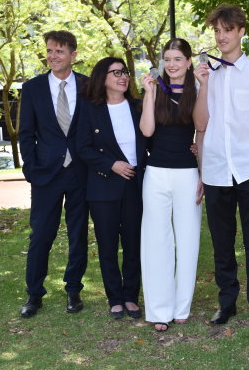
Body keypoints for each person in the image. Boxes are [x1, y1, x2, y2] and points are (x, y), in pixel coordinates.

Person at [193, 4, 249, 326]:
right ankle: (226, 302)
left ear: (241, 31)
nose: (221, 37)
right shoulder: (206, 75)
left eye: (227, 30)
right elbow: (200, 124)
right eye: (216, 31)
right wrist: (202, 86)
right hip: (216, 170)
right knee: (221, 242)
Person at [18, 30, 89, 318]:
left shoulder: (88, 85)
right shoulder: (32, 87)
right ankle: (34, 294)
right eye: (49, 50)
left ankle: (73, 290)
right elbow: (25, 133)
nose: (53, 56)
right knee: (41, 235)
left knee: (78, 234)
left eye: (59, 51)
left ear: (73, 55)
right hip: (46, 174)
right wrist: (32, 168)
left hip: (80, 172)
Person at [139, 38, 204, 332]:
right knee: (156, 241)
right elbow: (147, 130)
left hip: (187, 173)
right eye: (167, 59)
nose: (172, 64)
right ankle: (158, 310)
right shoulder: (155, 88)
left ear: (188, 62)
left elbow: (203, 128)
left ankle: (181, 306)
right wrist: (149, 94)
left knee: (188, 240)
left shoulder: (199, 88)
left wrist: (203, 173)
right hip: (156, 173)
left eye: (178, 58)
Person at [77, 57, 146, 319]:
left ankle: (131, 296)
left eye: (125, 72)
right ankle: (114, 298)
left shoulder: (138, 107)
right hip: (103, 186)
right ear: (102, 78)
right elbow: (83, 148)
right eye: (115, 72)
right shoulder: (89, 109)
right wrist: (111, 164)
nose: (123, 76)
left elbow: (154, 137)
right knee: (107, 246)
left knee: (133, 244)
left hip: (135, 185)